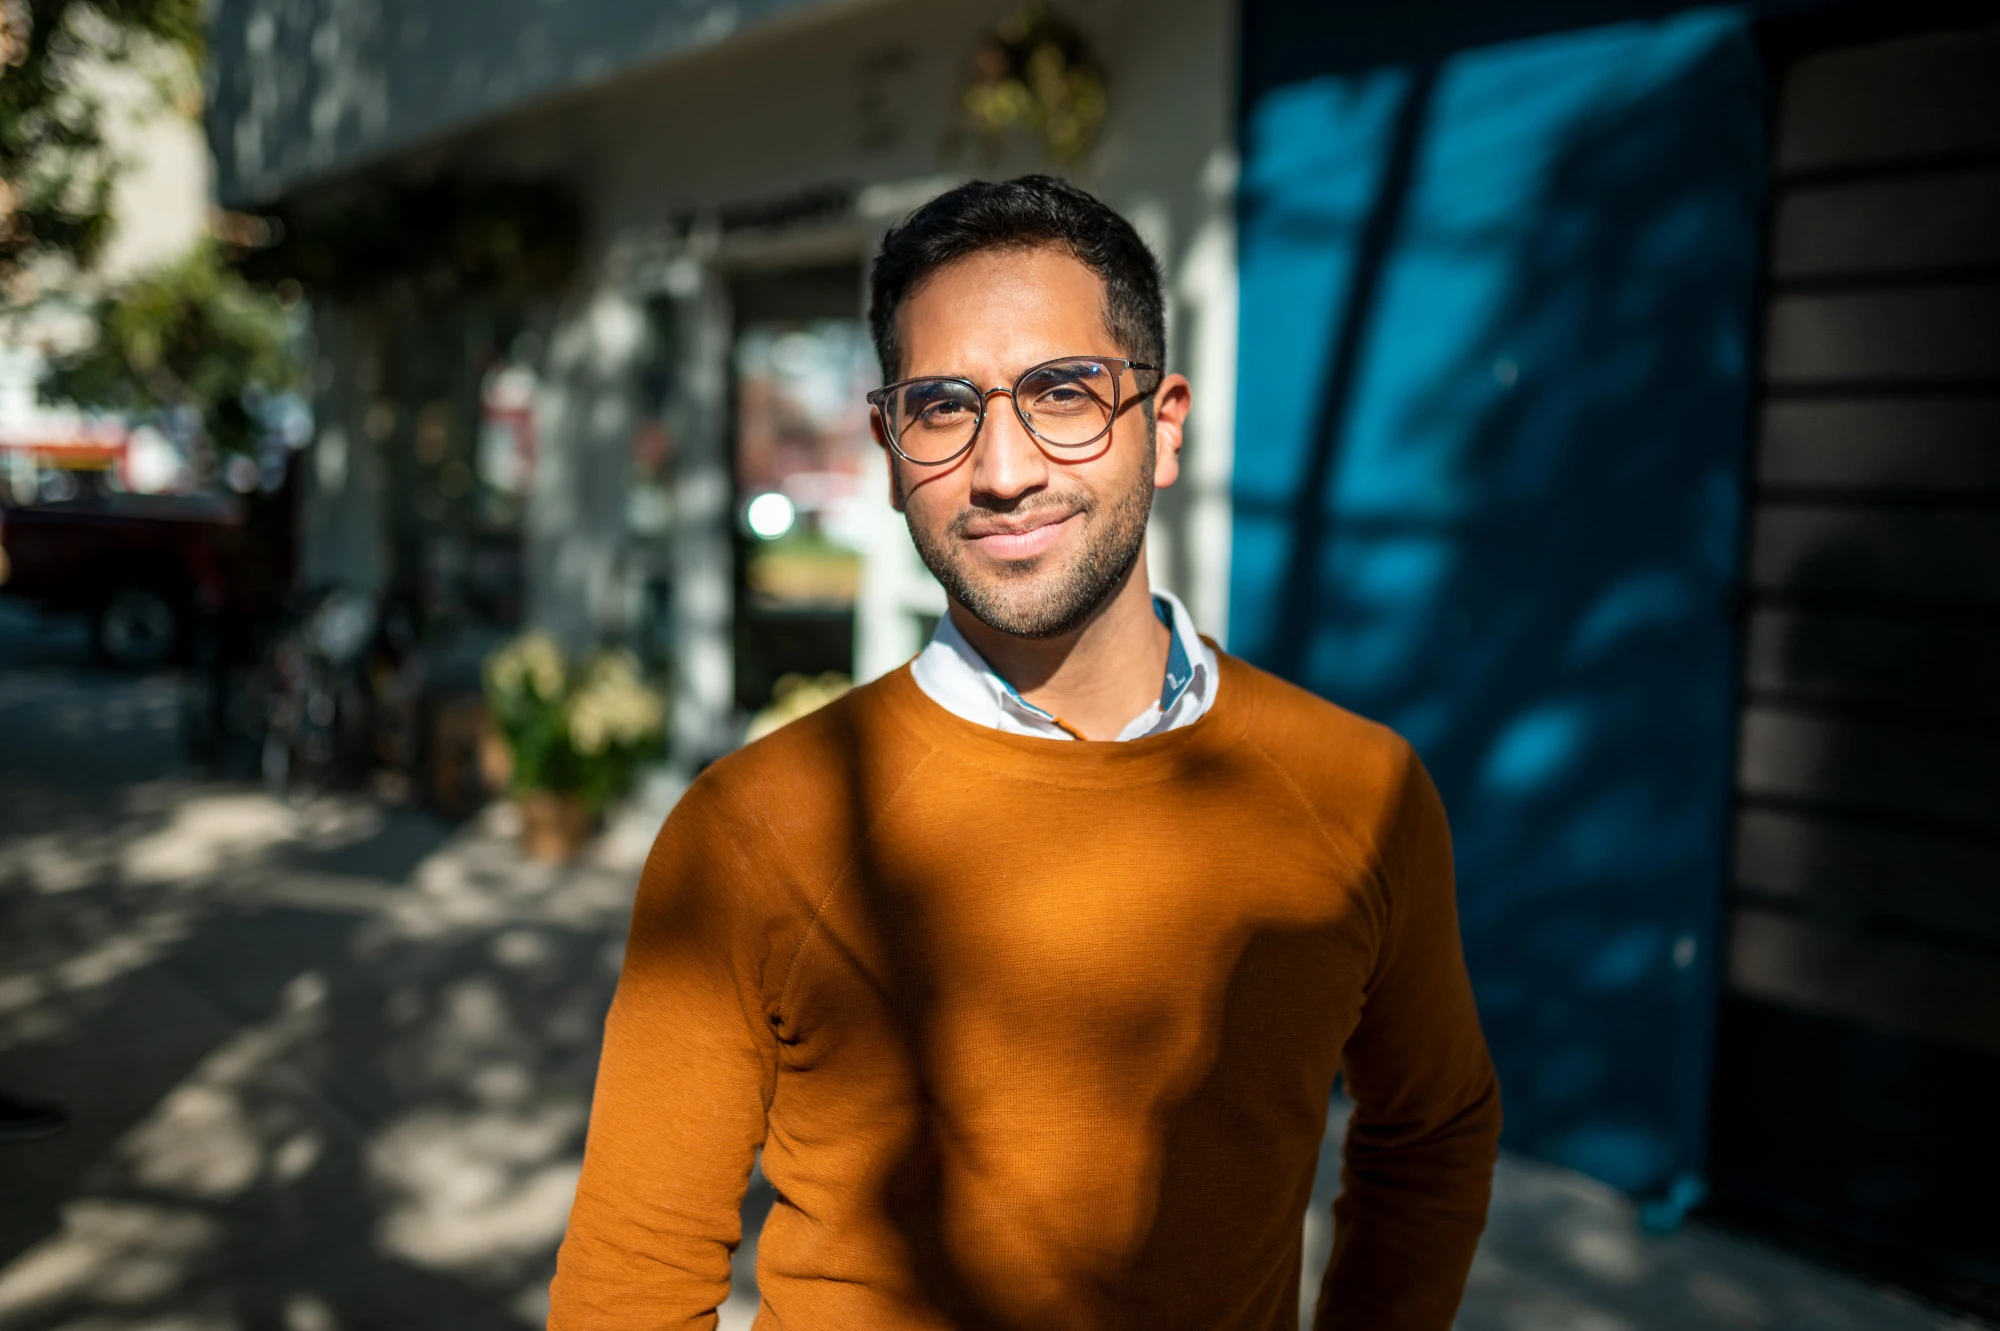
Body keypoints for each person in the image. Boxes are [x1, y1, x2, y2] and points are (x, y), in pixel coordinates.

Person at [550, 175, 1501, 1330]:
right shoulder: (756, 825)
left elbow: (1433, 1128)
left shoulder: (1357, 789)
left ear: (1161, 427)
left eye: (1063, 393)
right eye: (944, 406)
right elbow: (631, 1285)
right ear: (891, 447)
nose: (1002, 470)